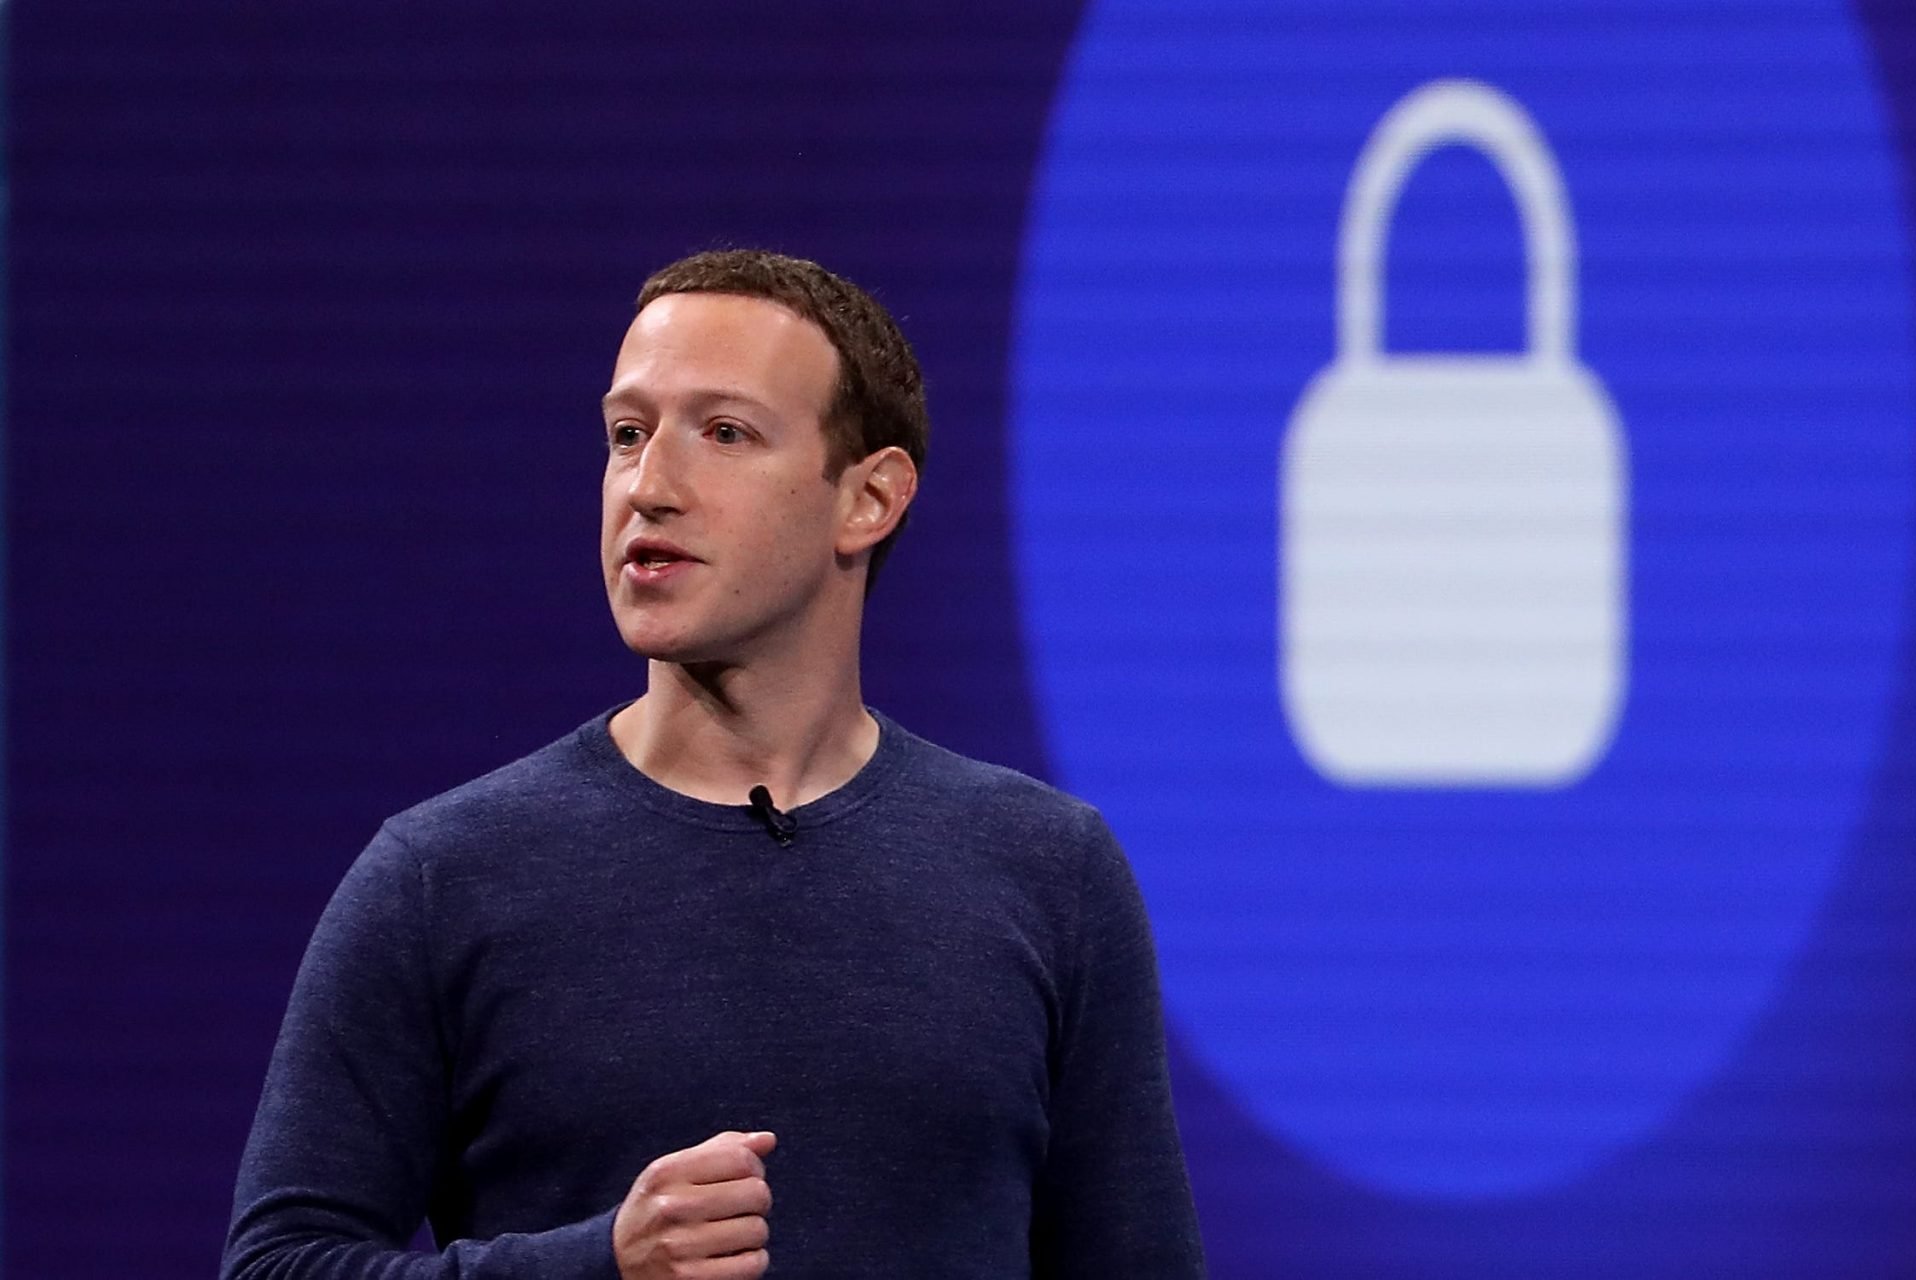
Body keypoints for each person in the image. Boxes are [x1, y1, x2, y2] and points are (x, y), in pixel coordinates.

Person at [223, 250, 1206, 1279]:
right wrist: (598, 1263)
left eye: (724, 433)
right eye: (627, 434)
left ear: (868, 498)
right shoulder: (442, 877)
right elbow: (277, 1265)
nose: (648, 486)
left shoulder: (1048, 869)